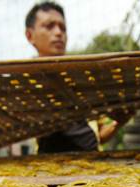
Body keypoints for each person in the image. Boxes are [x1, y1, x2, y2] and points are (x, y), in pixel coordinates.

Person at [25, 1, 127, 153]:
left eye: (63, 28)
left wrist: (119, 122)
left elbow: (95, 137)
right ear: (30, 35)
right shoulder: (26, 83)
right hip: (49, 168)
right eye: (49, 26)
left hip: (91, 166)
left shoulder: (82, 81)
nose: (59, 33)